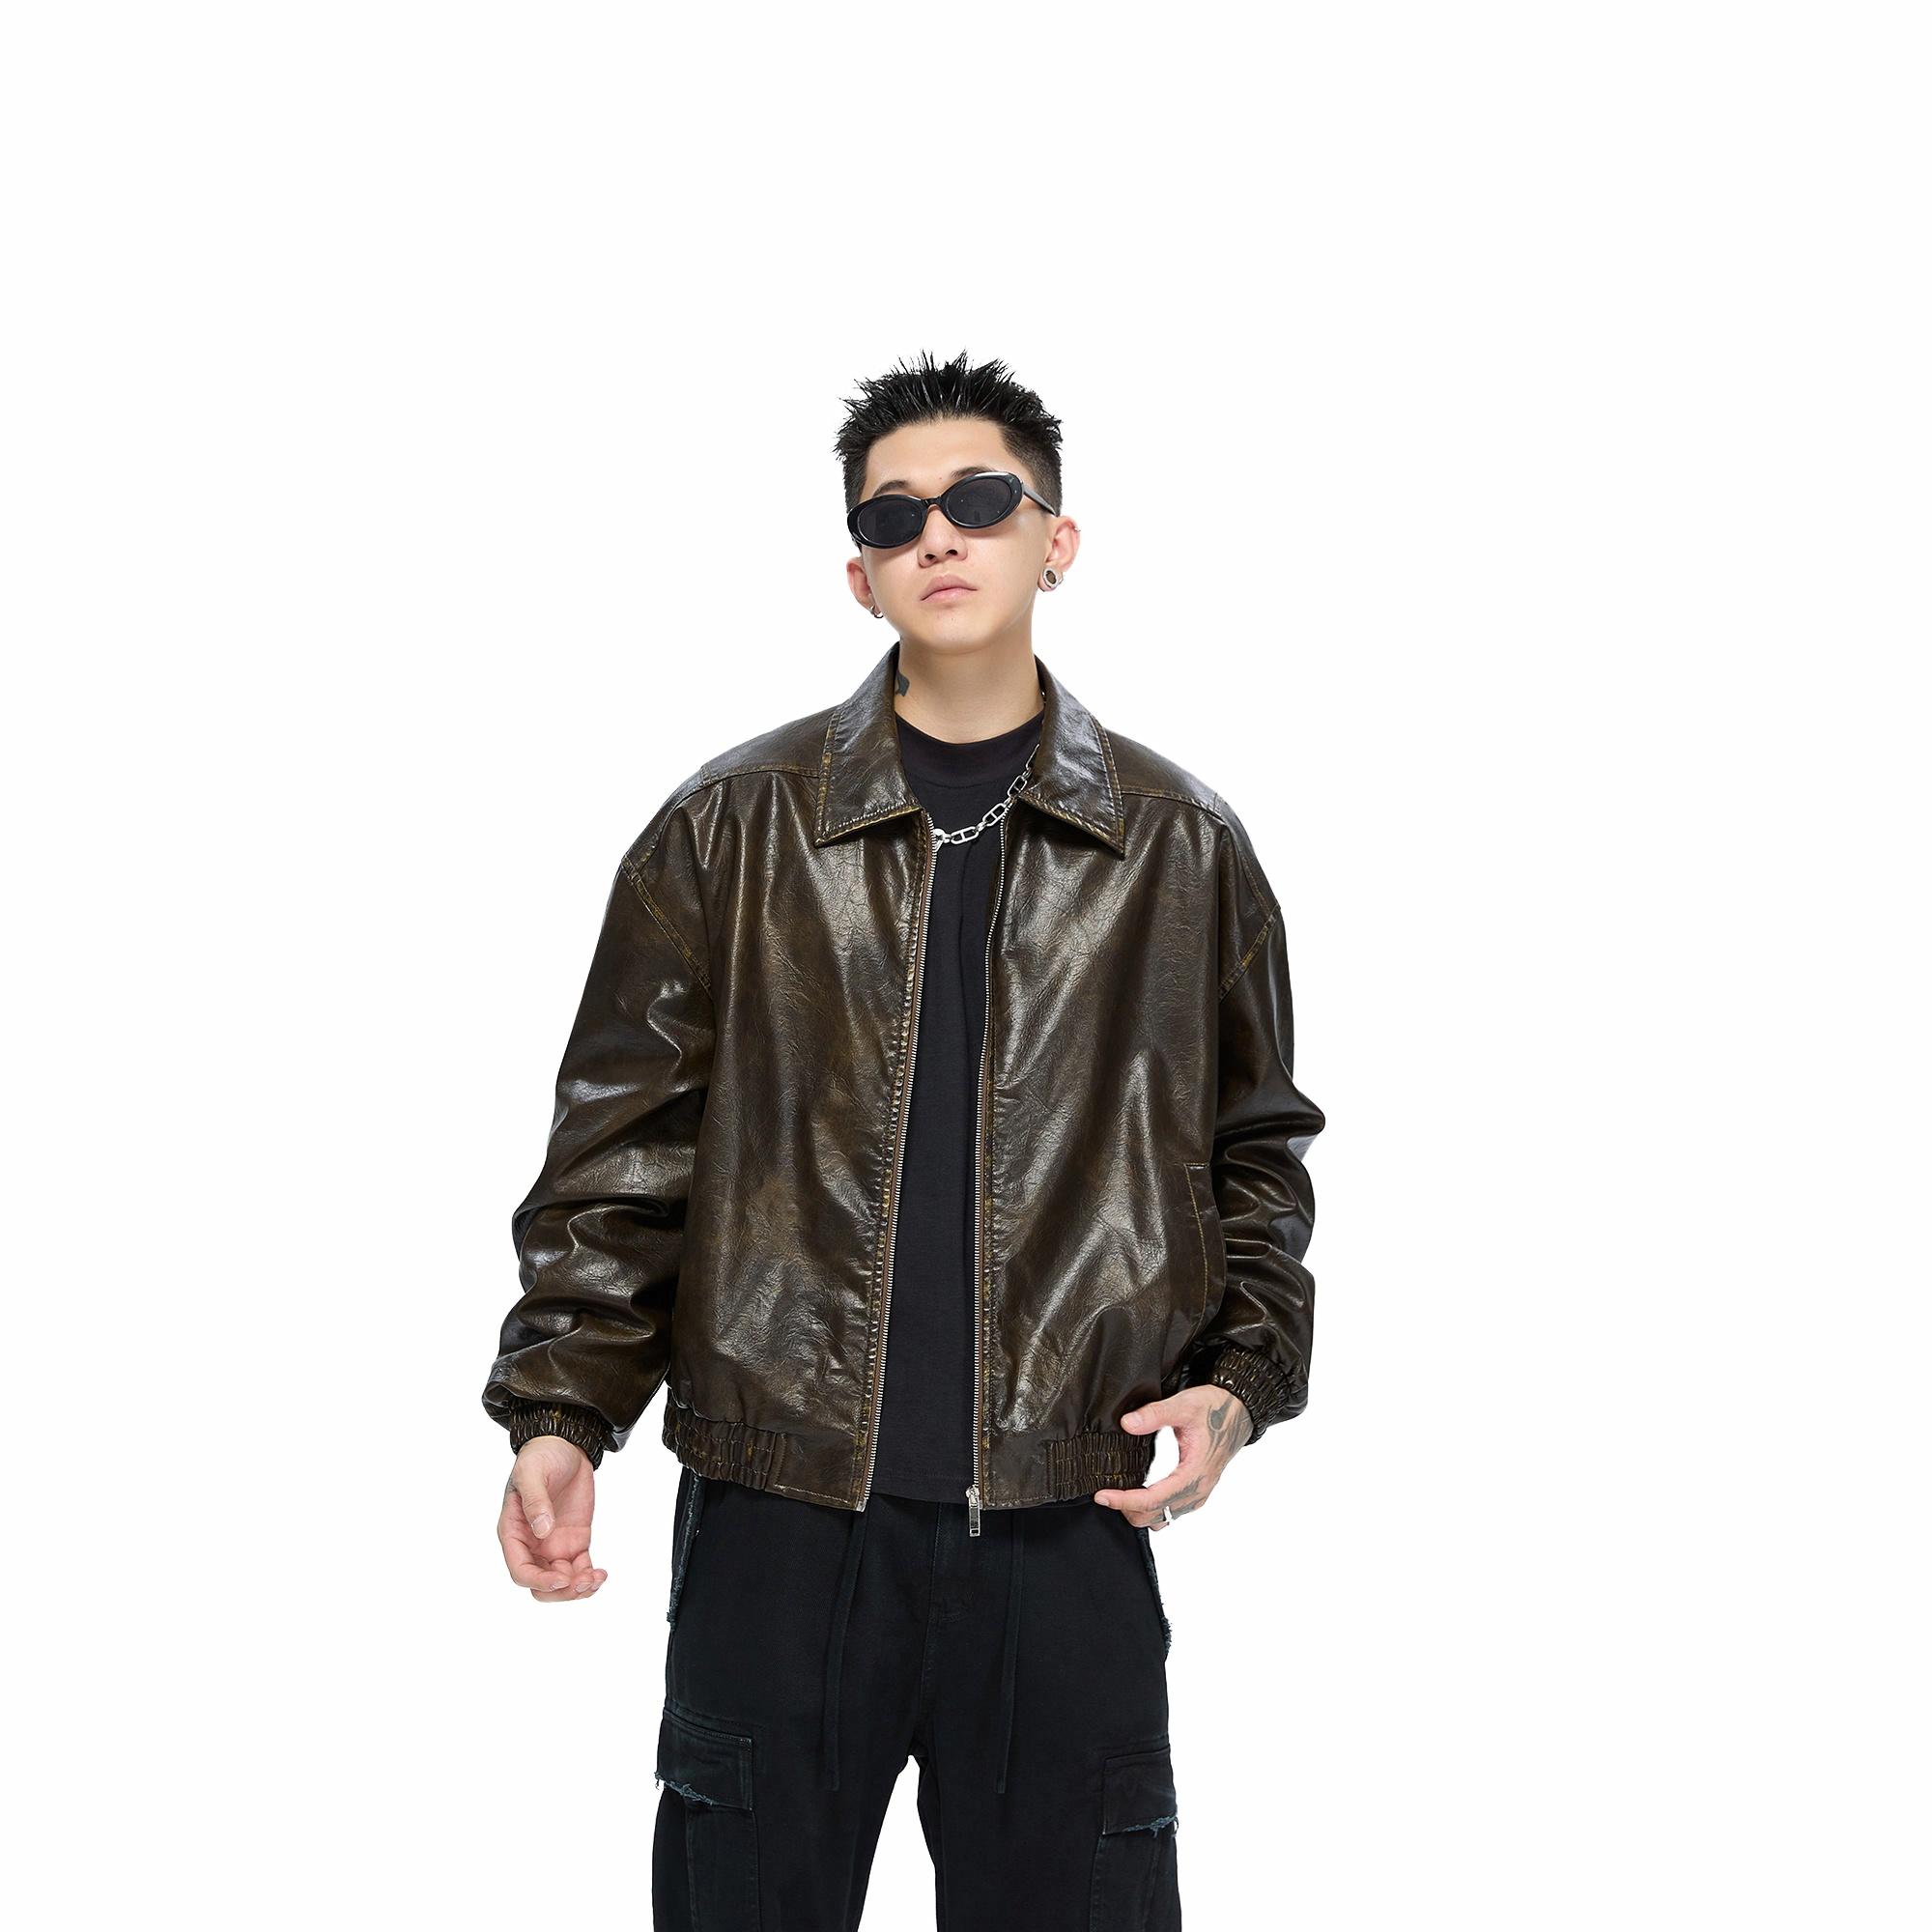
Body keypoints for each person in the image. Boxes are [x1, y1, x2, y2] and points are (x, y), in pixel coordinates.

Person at [482, 349, 1324, 1929]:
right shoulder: (729, 827)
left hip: (1068, 1520)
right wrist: (561, 1416)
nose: (939, 534)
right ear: (858, 574)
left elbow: (1256, 1156)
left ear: (1056, 542)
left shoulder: (1179, 846)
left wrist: (1240, 1381)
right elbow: (621, 1159)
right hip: (778, 1521)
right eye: (894, 515)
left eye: (981, 500)